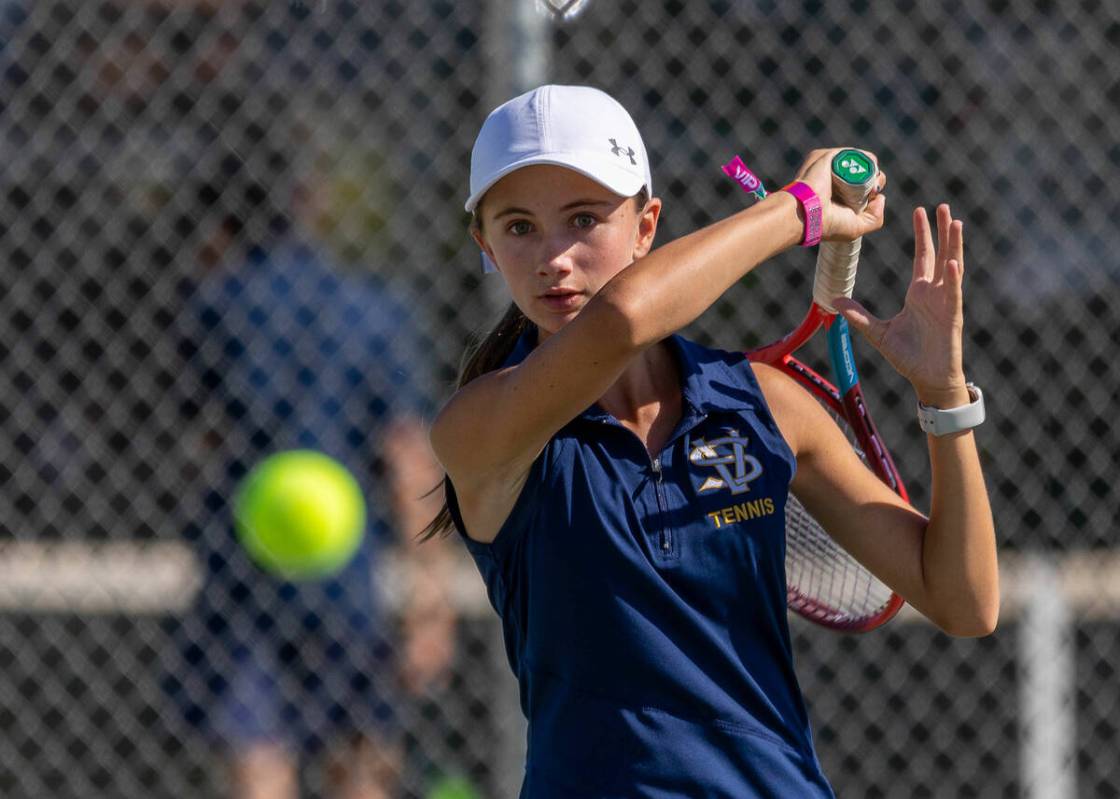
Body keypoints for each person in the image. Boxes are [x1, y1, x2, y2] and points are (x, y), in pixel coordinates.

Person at [421, 84, 998, 797]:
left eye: (583, 218)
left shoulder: (766, 404)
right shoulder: (480, 430)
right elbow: (623, 320)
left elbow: (966, 600)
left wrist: (944, 397)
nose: (555, 257)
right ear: (484, 245)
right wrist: (796, 210)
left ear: (647, 225)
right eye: (518, 228)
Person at [174, 150, 456, 799]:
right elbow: (409, 456)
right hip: (345, 583)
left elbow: (199, 440)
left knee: (258, 760)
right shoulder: (378, 308)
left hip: (240, 577)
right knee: (360, 762)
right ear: (307, 207)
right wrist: (429, 605)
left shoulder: (216, 306)